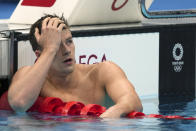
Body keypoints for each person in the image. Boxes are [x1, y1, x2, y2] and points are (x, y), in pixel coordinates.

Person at [7, 14, 143, 118]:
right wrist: (49, 50)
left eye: (69, 41)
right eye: (57, 46)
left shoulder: (102, 72)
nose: (66, 50)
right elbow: (19, 103)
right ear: (39, 54)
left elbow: (134, 102)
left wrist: (113, 114)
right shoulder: (31, 78)